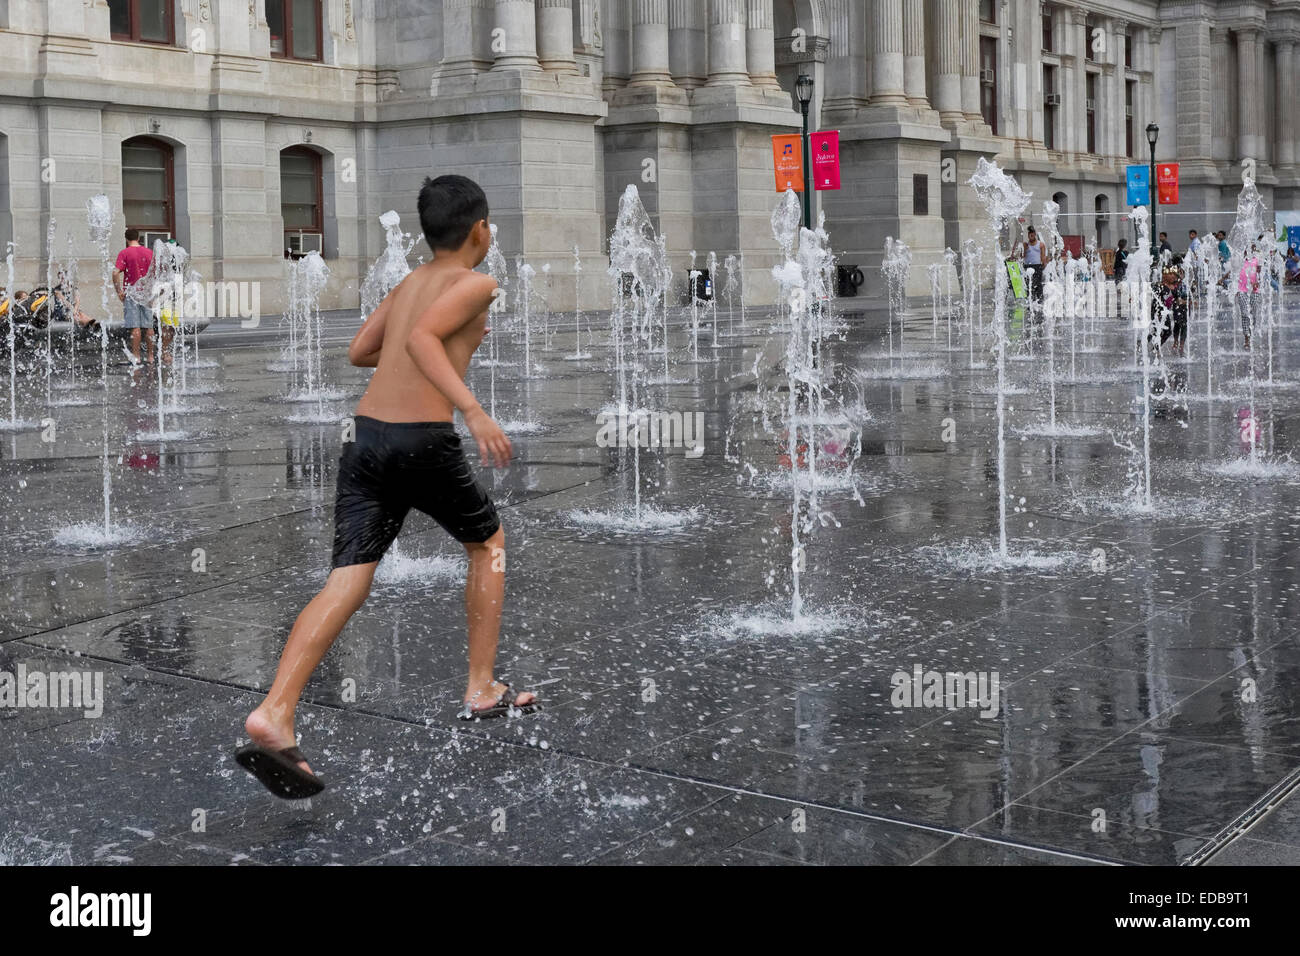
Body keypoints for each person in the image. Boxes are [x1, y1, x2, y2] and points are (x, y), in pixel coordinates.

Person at [238, 174, 535, 800]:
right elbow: (425, 340)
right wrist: (474, 411)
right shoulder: (478, 282)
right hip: (422, 440)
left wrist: (412, 352)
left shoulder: (408, 283)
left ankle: (276, 710)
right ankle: (482, 687)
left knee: (348, 577)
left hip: (365, 438)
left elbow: (360, 351)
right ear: (480, 231)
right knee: (488, 545)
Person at [113, 228, 154, 363]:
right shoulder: (149, 252)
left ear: (126, 239)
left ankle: (136, 357)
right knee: (149, 327)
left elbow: (115, 273)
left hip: (131, 293)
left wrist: (119, 291)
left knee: (135, 327)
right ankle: (150, 356)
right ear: (139, 238)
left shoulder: (124, 253)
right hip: (147, 293)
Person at [1152, 265, 1189, 356]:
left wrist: (1186, 302)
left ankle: (1156, 347)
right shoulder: (1159, 286)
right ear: (1165, 276)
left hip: (1165, 311)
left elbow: (1177, 300)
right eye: (1171, 274)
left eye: (1174, 275)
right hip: (1156, 311)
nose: (1174, 276)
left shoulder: (1174, 288)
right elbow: (1149, 295)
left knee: (1167, 331)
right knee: (1157, 330)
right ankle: (1152, 347)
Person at [1237, 243, 1262, 348]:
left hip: (1254, 290)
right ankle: (1246, 338)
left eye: (1252, 248)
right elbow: (1234, 274)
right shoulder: (1239, 260)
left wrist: (1258, 282)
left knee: (1253, 314)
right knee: (1244, 314)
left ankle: (1250, 335)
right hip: (1242, 290)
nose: (1250, 250)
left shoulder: (1257, 260)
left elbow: (1260, 275)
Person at [1020, 226, 1046, 305]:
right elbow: (1022, 256)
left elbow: (1043, 256)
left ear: (1035, 235)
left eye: (1032, 235)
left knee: (1038, 284)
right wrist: (1025, 249)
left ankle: (1040, 301)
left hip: (1037, 266)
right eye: (1029, 235)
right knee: (1029, 284)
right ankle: (1030, 300)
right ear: (1028, 235)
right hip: (1028, 267)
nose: (1031, 236)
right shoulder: (1025, 245)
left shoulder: (1040, 244)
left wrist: (1043, 265)